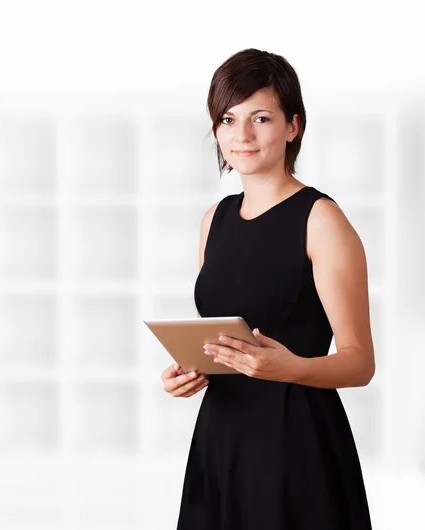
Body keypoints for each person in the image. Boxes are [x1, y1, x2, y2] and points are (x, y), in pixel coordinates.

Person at [160, 49, 375, 529]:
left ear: (293, 126)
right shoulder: (214, 220)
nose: (242, 135)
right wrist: (190, 371)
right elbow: (223, 340)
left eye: (261, 117)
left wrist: (290, 366)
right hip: (220, 439)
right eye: (228, 119)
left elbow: (360, 362)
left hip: (295, 441)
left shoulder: (321, 220)